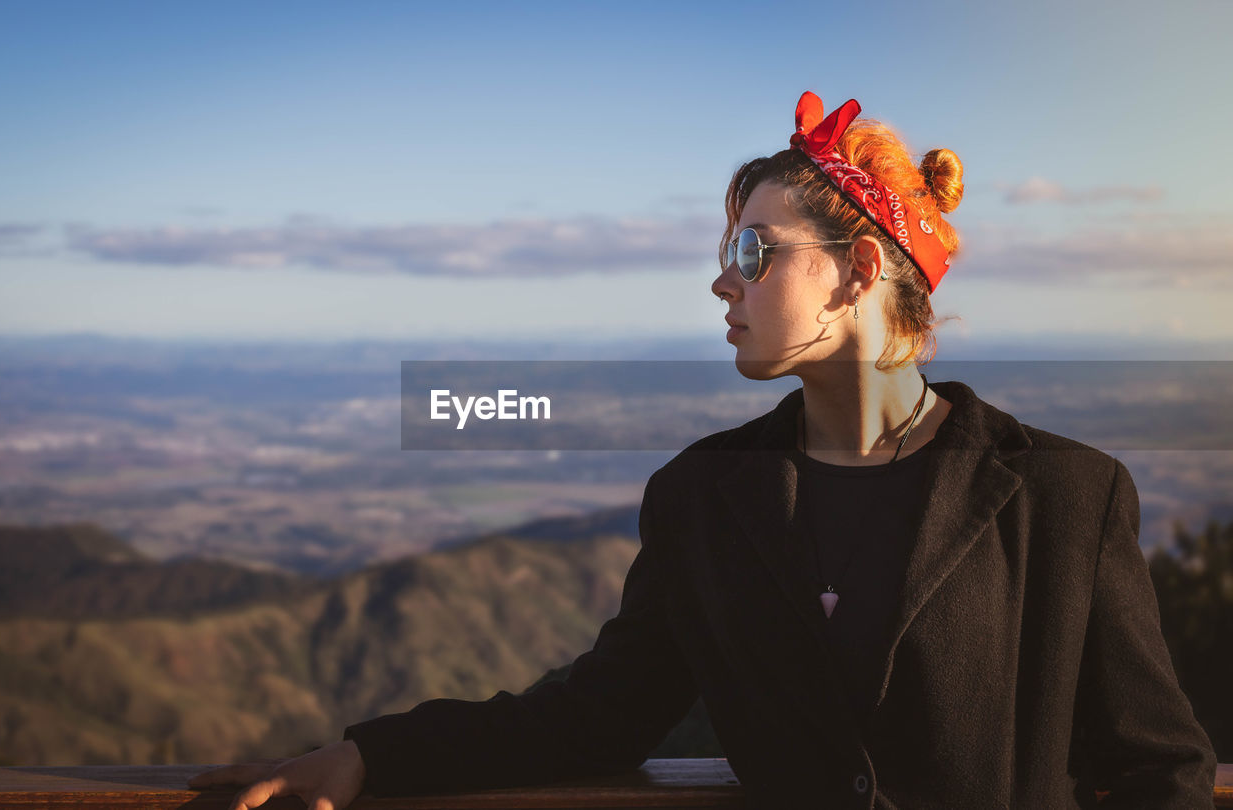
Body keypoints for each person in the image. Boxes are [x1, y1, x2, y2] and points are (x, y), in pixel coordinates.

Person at [188, 90, 1218, 809]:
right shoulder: (700, 501)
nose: (722, 283)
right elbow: (593, 717)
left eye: (750, 252)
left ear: (858, 272)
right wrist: (368, 757)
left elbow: (1157, 772)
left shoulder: (1063, 500)